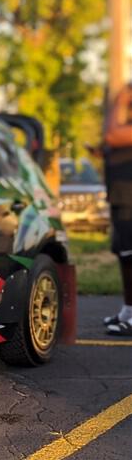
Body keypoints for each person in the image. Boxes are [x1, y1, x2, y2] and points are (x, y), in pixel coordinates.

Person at [102, 83, 132, 336]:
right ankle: (128, 311)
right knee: (125, 256)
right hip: (121, 197)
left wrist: (120, 100)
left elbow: (112, 135)